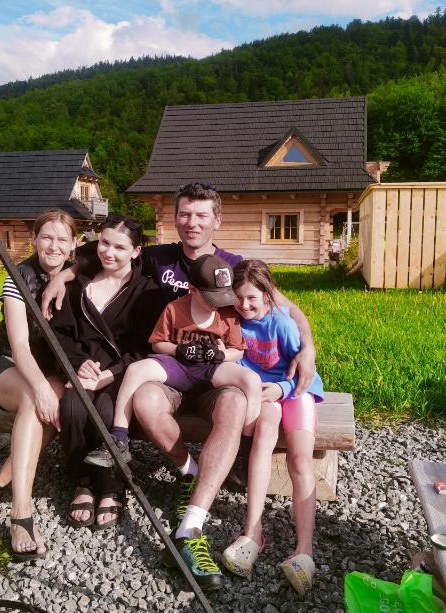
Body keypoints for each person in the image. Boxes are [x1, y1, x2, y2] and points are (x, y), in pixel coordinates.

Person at [42, 182, 317, 590]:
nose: (192, 223)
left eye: (202, 215)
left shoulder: (231, 265)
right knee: (143, 397)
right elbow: (97, 251)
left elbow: (283, 305)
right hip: (169, 369)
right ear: (175, 218)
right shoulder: (158, 256)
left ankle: (191, 525)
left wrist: (308, 345)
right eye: (185, 214)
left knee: (234, 403)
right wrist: (61, 277)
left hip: (213, 375)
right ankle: (189, 469)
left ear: (217, 220)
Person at [0, 209, 76, 561]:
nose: (54, 246)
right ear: (34, 240)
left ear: (74, 244)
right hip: (9, 365)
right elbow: (20, 347)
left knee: (52, 410)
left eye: (62, 239)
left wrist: (68, 274)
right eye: (47, 237)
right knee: (34, 400)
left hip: (50, 370)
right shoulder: (17, 278)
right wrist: (41, 388)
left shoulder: (78, 274)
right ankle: (21, 513)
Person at [84, 253, 262, 469]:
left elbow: (238, 351)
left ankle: (247, 446)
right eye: (212, 298)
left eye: (223, 296)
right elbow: (157, 344)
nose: (218, 304)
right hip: (179, 367)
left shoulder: (227, 314)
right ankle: (119, 439)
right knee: (135, 370)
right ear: (193, 289)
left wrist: (222, 355)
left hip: (211, 369)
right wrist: (179, 349)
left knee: (251, 380)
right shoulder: (175, 309)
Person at [51, 214, 163, 529]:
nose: (109, 253)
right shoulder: (77, 284)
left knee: (105, 408)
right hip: (81, 369)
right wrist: (75, 364)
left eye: (120, 247)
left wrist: (110, 374)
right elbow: (60, 334)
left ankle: (112, 485)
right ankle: (83, 481)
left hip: (121, 374)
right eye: (104, 243)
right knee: (73, 407)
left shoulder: (147, 292)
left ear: (136, 251)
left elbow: (144, 347)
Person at [221, 259, 324, 595]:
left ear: (267, 294)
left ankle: (304, 549)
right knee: (262, 439)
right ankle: (252, 532)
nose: (244, 305)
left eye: (252, 298)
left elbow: (305, 374)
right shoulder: (234, 323)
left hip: (295, 391)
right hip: (263, 395)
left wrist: (282, 389)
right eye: (238, 298)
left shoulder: (282, 324)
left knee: (300, 459)